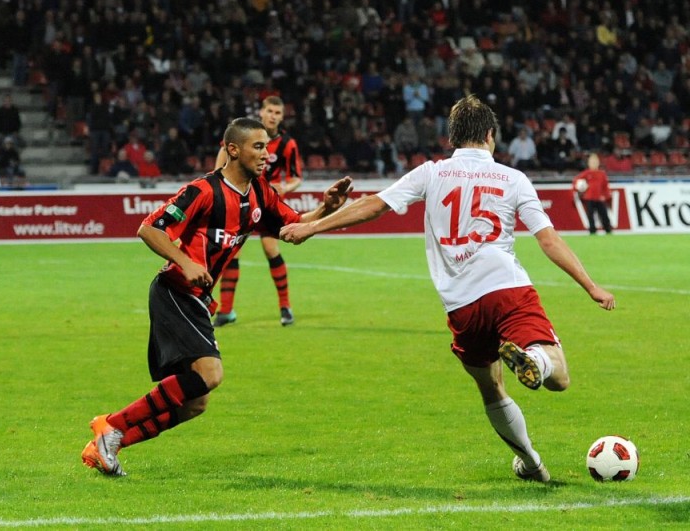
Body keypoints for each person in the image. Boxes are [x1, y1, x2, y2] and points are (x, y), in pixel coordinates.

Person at [280, 95, 616, 483]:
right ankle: (536, 361)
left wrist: (311, 227)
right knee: (558, 377)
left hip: (461, 305)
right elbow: (548, 240)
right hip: (506, 287)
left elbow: (374, 204)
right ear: (490, 135)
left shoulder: (432, 173)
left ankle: (530, 462)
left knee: (492, 390)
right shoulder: (513, 178)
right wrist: (590, 286)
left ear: (452, 137)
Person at [81, 117, 353, 476]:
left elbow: (290, 228)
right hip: (176, 291)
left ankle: (109, 444)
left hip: (196, 299)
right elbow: (149, 229)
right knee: (210, 373)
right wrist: (184, 261)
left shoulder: (259, 193)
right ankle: (111, 425)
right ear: (232, 149)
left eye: (268, 148)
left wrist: (325, 210)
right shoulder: (203, 191)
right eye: (258, 147)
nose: (266, 155)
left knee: (196, 402)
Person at [212, 96, 303, 327]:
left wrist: (286, 186)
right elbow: (221, 162)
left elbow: (296, 177)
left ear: (282, 117)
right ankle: (227, 311)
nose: (273, 116)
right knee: (232, 251)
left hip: (268, 204)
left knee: (270, 247)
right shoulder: (245, 135)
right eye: (270, 111)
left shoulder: (288, 144)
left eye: (278, 113)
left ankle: (285, 307)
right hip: (241, 201)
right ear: (261, 113)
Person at [573, 153, 613, 235]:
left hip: (599, 198)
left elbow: (605, 186)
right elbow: (576, 181)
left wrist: (607, 196)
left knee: (604, 215)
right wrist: (578, 189)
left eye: (595, 162)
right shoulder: (586, 173)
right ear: (589, 163)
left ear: (598, 163)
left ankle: (608, 230)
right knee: (590, 216)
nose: (594, 163)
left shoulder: (602, 174)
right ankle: (592, 231)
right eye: (592, 162)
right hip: (589, 198)